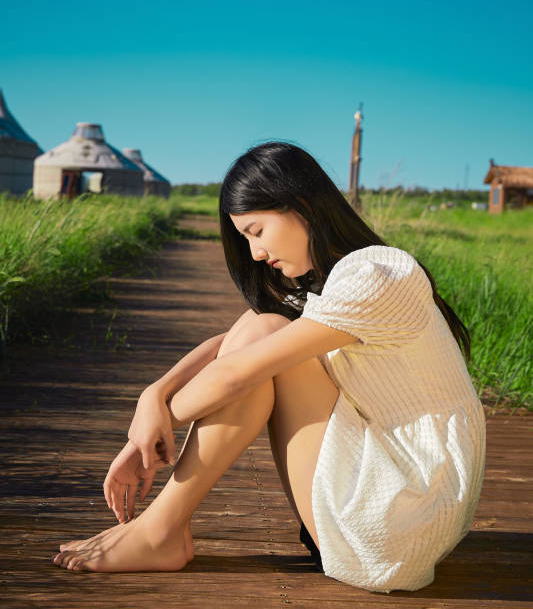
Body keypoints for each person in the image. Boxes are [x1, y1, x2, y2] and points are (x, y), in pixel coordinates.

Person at [52, 141, 486, 592]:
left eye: (256, 231)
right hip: (384, 507)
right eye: (246, 239)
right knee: (260, 326)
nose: (256, 253)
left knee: (264, 337)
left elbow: (236, 371)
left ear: (300, 203)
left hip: (399, 522)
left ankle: (159, 531)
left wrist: (149, 433)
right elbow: (226, 346)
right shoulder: (338, 281)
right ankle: (162, 530)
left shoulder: (377, 275)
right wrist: (153, 396)